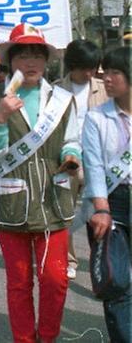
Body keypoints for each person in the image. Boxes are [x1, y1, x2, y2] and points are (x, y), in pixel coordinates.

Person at [0, 23, 81, 343]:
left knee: (55, 279)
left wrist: (71, 154)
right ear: (11, 61)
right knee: (19, 281)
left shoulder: (62, 99)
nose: (31, 63)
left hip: (54, 199)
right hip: (13, 200)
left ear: (47, 60)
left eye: (38, 55)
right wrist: (1, 118)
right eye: (23, 55)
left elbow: (72, 139)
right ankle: (24, 339)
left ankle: (47, 337)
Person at [82, 46, 131, 342]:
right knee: (117, 283)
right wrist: (101, 208)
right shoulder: (96, 117)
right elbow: (94, 165)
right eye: (105, 72)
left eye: (115, 72)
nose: (107, 79)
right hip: (111, 204)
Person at [54, 39, 108, 280]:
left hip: (99, 161)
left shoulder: (104, 88)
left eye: (93, 67)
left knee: (96, 213)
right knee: (65, 211)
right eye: (84, 67)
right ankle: (69, 259)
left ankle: (102, 262)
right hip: (69, 160)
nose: (89, 73)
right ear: (71, 65)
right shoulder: (56, 90)